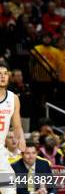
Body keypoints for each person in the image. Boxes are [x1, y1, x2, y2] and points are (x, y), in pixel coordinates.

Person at [0, 61, 26, 192]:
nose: (2, 76)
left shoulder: (13, 98)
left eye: (5, 74)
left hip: (0, 151)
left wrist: (21, 138)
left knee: (9, 188)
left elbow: (16, 125)